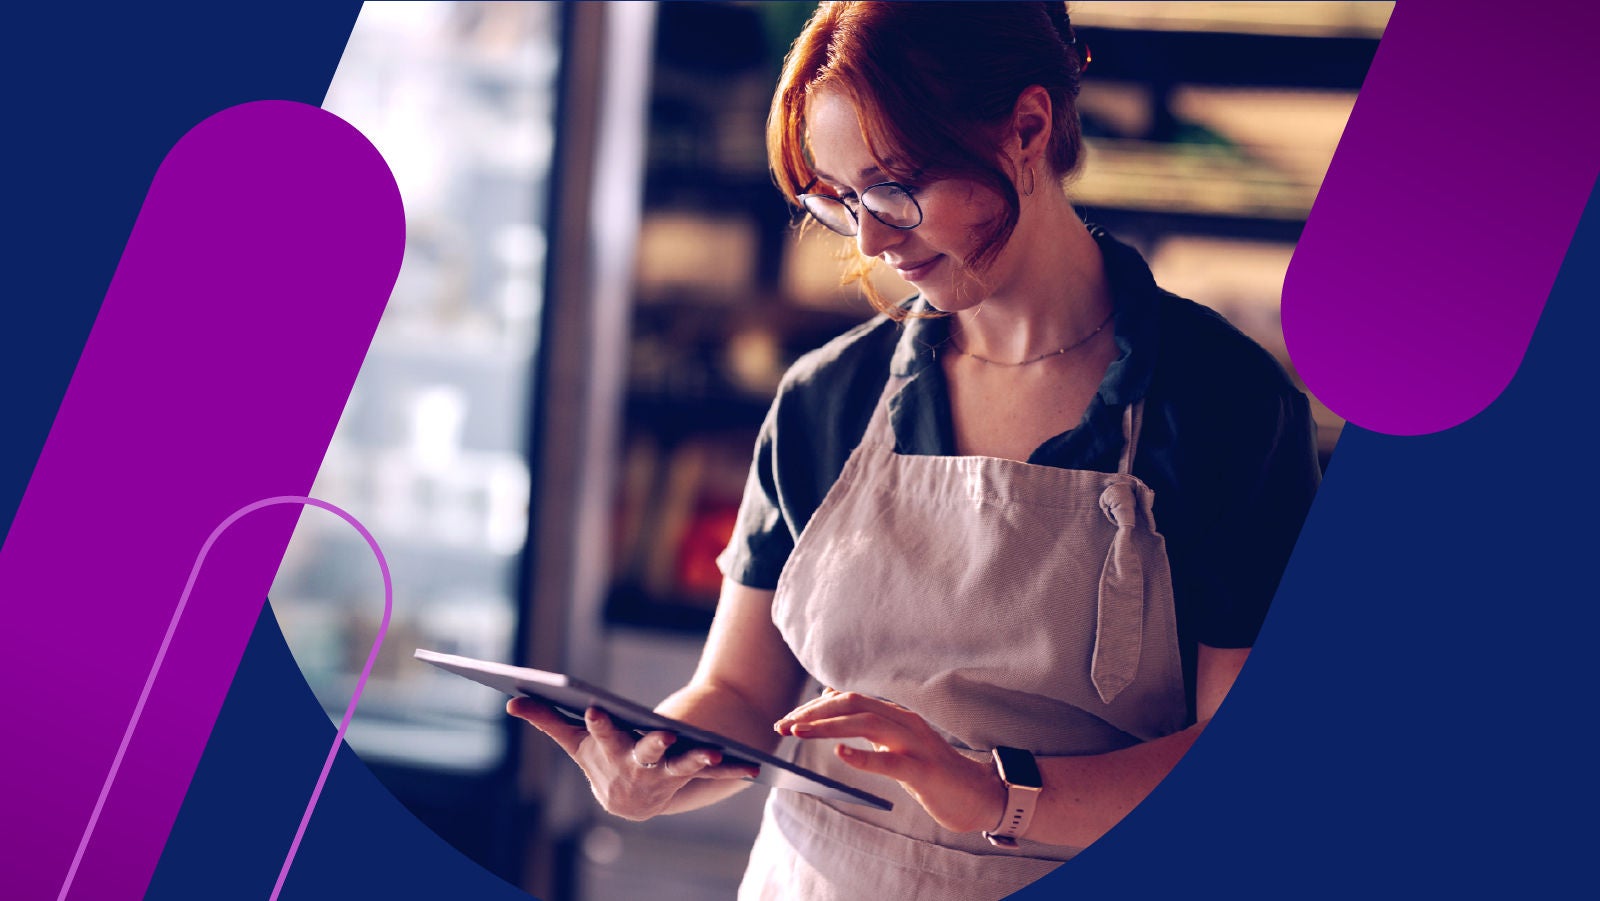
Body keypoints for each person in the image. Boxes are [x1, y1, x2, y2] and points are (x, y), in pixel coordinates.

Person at [510, 2, 1321, 898]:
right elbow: (739, 692)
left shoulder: (1223, 407)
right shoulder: (826, 400)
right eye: (839, 198)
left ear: (1026, 126)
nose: (869, 240)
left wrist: (995, 792)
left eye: (895, 188)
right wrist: (652, 761)